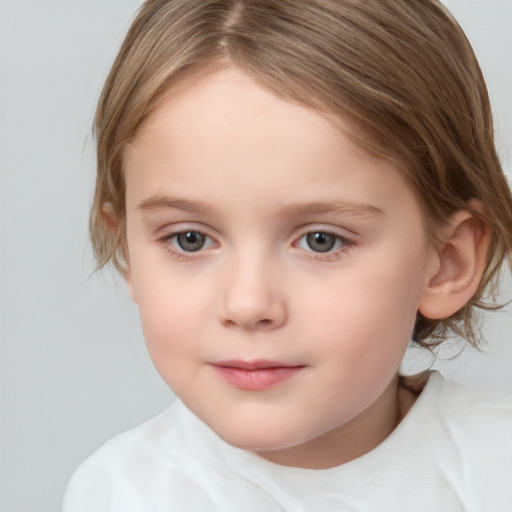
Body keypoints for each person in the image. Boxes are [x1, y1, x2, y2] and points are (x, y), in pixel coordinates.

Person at [62, 0, 512, 510]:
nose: (248, 303)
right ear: (127, 252)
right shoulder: (122, 493)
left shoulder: (496, 471)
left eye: (322, 240)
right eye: (190, 238)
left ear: (446, 262)